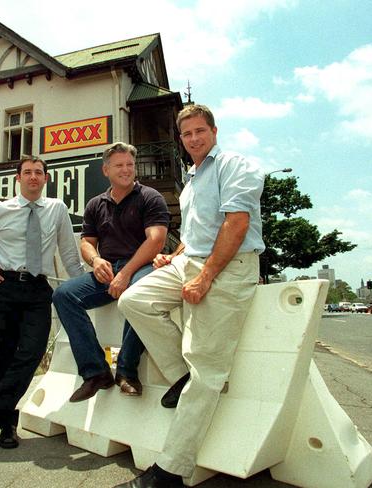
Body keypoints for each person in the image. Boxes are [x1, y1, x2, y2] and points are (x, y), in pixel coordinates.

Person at [115, 104, 265, 487]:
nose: (194, 139)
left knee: (207, 369)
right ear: (181, 140)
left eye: (200, 131)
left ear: (214, 131)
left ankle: (170, 471)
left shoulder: (234, 165)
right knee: (133, 300)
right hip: (193, 259)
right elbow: (201, 230)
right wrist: (175, 254)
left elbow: (236, 223)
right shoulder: (193, 176)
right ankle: (180, 376)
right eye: (187, 134)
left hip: (229, 267)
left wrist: (206, 276)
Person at [0, 156, 83, 450]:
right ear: (18, 178)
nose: (33, 177)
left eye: (38, 173)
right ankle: (7, 428)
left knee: (32, 350)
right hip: (1, 286)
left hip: (37, 290)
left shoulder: (56, 209)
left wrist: (83, 285)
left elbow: (68, 252)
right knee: (1, 357)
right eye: (27, 172)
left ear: (45, 179)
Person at [52, 142, 170, 402]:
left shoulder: (150, 197)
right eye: (119, 165)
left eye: (130, 164)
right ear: (106, 170)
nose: (126, 170)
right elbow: (86, 243)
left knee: (138, 294)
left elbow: (156, 240)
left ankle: (126, 371)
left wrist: (126, 274)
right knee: (63, 295)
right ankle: (96, 373)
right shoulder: (96, 204)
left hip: (142, 267)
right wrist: (95, 261)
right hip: (106, 270)